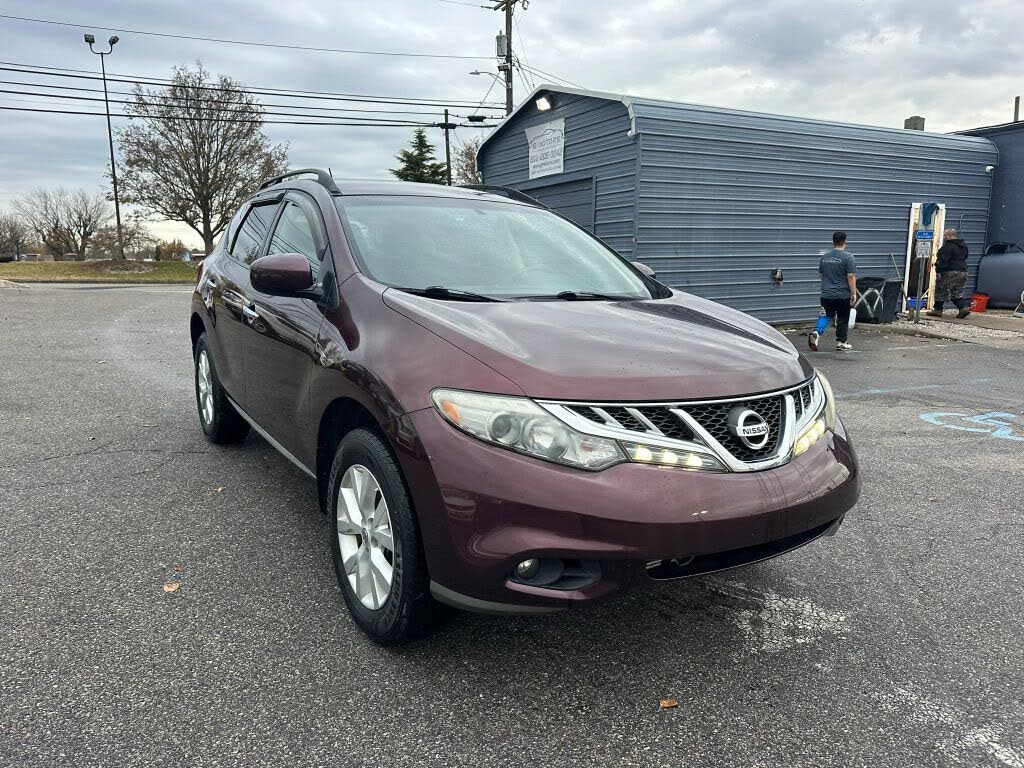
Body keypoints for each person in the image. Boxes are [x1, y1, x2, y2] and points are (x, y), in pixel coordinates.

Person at [809, 231, 857, 352]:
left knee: (825, 315)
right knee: (842, 318)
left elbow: (821, 275)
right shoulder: (848, 257)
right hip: (842, 295)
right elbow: (851, 276)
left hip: (826, 295)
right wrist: (853, 293)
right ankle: (841, 342)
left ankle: (816, 333)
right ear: (845, 242)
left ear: (832, 242)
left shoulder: (824, 257)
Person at [928, 228, 970, 318]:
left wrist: (938, 271)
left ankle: (937, 310)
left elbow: (942, 260)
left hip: (949, 270)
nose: (944, 237)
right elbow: (965, 256)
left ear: (950, 236)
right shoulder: (963, 246)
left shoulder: (947, 246)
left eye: (945, 235)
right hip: (963, 271)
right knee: (957, 290)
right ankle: (963, 308)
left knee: (940, 289)